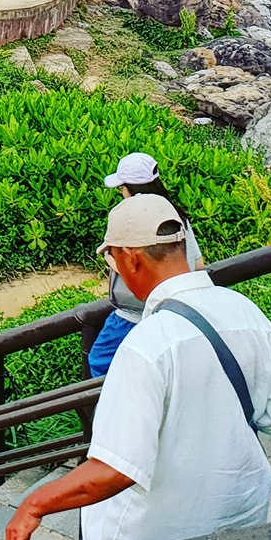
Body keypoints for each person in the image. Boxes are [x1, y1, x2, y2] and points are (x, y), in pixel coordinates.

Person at [4, 196, 271, 540]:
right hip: (234, 536)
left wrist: (33, 505)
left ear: (130, 259)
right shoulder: (245, 311)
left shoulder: (148, 344)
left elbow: (115, 470)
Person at [86, 156, 208, 377]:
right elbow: (198, 264)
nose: (122, 193)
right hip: (180, 309)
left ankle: (109, 408)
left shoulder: (129, 218)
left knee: (100, 361)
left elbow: (129, 267)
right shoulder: (175, 215)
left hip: (133, 315)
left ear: (130, 188)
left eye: (122, 188)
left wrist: (111, 260)